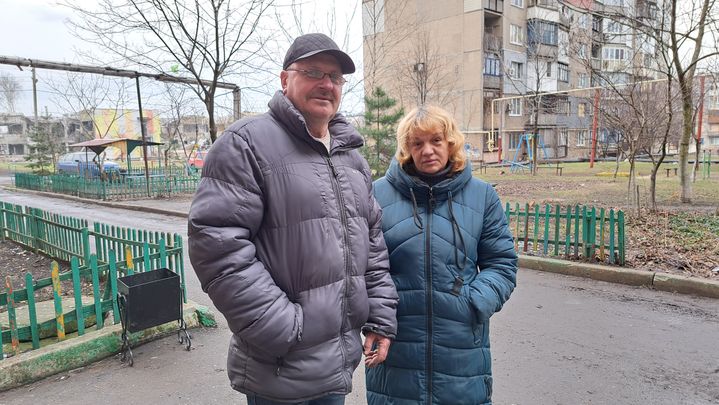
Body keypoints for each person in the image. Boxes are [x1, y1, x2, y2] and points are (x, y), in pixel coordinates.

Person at [188, 33, 399, 405]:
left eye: (335, 77)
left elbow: (373, 245)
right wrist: (285, 328)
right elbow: (217, 247)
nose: (326, 84)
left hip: (337, 364)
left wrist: (380, 318)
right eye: (313, 71)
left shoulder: (352, 160)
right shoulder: (246, 144)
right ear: (285, 80)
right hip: (279, 367)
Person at [365, 105, 518, 405]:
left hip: (462, 350)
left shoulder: (482, 196)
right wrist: (375, 316)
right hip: (396, 346)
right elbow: (363, 265)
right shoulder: (377, 196)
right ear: (407, 149)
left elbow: (501, 263)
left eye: (436, 140)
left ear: (451, 143)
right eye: (417, 143)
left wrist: (475, 302)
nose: (428, 151)